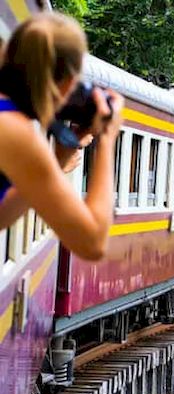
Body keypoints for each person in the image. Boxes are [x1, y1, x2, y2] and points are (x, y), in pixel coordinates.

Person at [0, 13, 124, 261]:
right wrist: (107, 138)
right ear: (68, 83)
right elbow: (93, 243)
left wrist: (54, 161)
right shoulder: (14, 130)